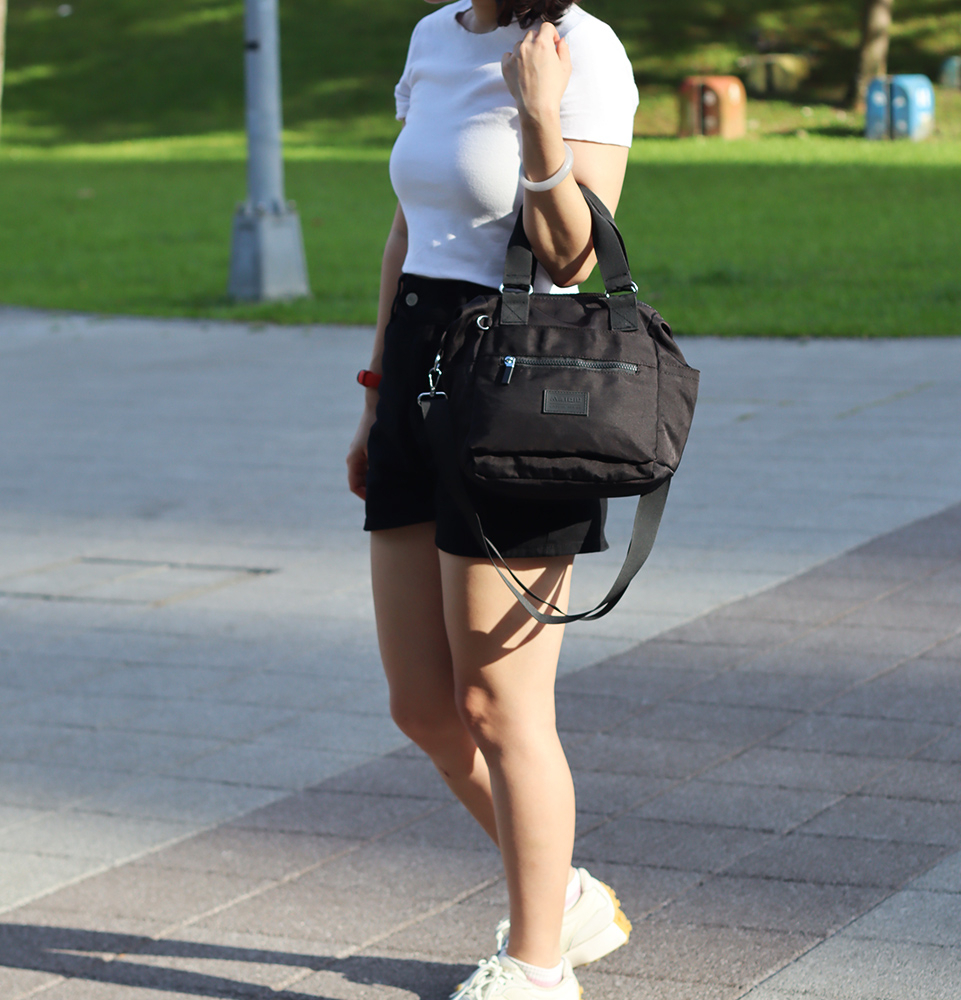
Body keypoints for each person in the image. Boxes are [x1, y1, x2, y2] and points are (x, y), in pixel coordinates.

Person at [346, 1, 639, 996]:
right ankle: (564, 895)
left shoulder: (580, 49)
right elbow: (407, 232)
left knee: (500, 703)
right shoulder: (433, 37)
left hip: (519, 384)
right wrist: (375, 395)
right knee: (424, 707)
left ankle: (537, 964)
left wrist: (540, 113)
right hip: (418, 374)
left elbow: (574, 260)